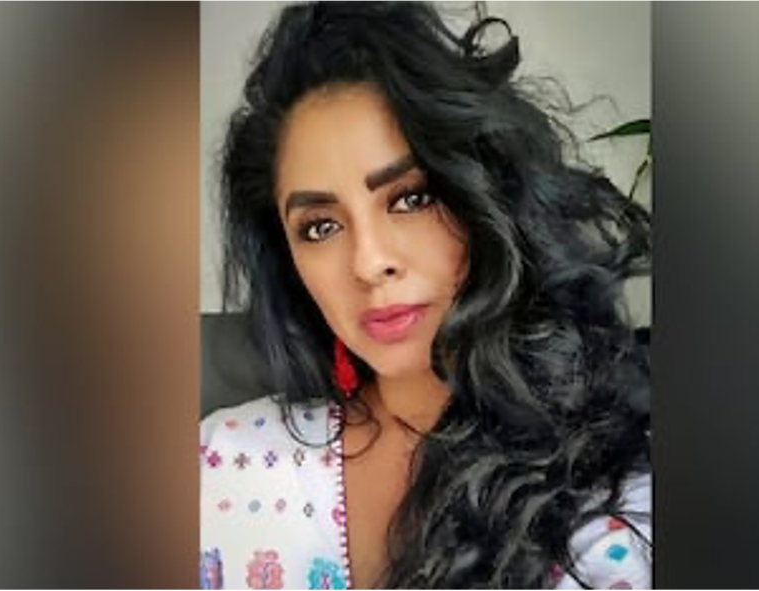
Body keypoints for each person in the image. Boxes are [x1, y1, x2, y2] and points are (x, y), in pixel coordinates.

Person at [201, 1, 652, 588]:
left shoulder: (613, 495)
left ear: (489, 203)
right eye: (320, 226)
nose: (369, 263)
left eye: (411, 199)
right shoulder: (223, 467)